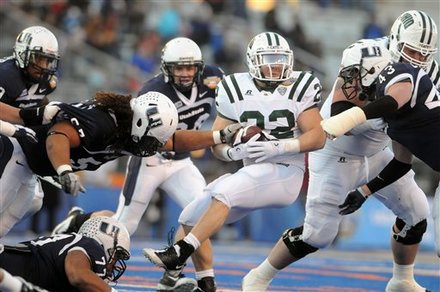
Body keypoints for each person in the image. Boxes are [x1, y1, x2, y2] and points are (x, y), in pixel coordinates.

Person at [242, 10, 439, 292]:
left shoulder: (429, 73)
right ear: (395, 40)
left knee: (416, 212)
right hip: (337, 151)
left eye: (424, 55)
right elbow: (340, 114)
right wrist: (383, 113)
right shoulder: (365, 55)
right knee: (317, 235)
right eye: (411, 51)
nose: (417, 60)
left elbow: (406, 141)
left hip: (378, 151)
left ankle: (402, 280)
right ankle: (259, 276)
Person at [142, 31, 326, 292]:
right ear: (253, 61)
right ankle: (200, 282)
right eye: (268, 59)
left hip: (286, 171)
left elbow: (318, 137)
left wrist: (280, 146)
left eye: (280, 59)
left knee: (225, 191)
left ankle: (178, 252)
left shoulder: (300, 86)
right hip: (253, 171)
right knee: (191, 215)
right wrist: (231, 153)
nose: (276, 66)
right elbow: (218, 143)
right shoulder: (234, 88)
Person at [51, 37, 227, 291]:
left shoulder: (213, 78)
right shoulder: (152, 92)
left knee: (202, 215)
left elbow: (233, 100)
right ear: (167, 68)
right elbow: (164, 140)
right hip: (151, 158)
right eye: (179, 67)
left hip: (182, 162)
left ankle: (203, 282)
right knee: (124, 227)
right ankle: (81, 222)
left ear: (199, 67)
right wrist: (215, 137)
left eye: (190, 67)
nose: (186, 73)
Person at [0, 90, 239, 238]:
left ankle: (74, 223)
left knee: (15, 215)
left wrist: (219, 136)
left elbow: (174, 140)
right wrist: (64, 170)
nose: (153, 146)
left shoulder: (132, 129)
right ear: (139, 125)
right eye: (152, 139)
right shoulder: (104, 123)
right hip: (18, 153)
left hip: (32, 168)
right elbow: (58, 136)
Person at [0, 25, 62, 240]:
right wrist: (26, 119)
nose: (44, 66)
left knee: (34, 199)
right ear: (23, 53)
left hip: (11, 141)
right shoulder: (6, 75)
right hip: (7, 139)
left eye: (48, 60)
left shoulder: (46, 83)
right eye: (39, 59)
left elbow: (35, 103)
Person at [0, 216, 131, 291]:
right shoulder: (90, 244)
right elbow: (78, 276)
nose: (114, 264)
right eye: (116, 255)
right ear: (105, 241)